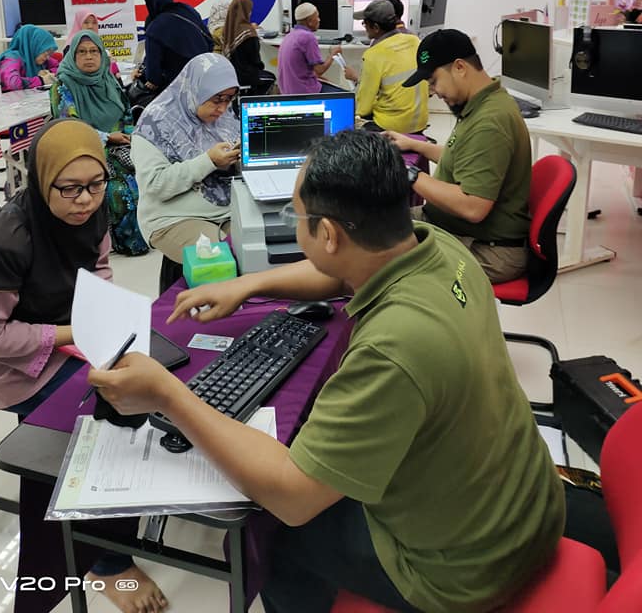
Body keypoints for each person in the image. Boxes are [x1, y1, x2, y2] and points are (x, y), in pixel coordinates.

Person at [89, 130, 564, 613]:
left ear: (330, 234)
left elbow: (291, 496)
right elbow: (341, 270)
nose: (294, 224)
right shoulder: (438, 247)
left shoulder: (392, 349)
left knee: (270, 533)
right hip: (529, 505)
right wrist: (248, 285)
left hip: (466, 569)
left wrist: (169, 395)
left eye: (296, 217)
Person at [0, 119, 167, 612]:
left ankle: (117, 528)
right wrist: (74, 333)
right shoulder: (4, 243)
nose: (85, 201)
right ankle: (104, 562)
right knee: (108, 417)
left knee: (149, 385)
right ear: (42, 179)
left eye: (96, 185)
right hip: (13, 364)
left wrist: (103, 312)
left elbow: (99, 267)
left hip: (69, 336)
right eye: (68, 188)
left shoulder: (92, 212)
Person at [385, 29, 531, 283]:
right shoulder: (483, 102)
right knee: (371, 224)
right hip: (462, 230)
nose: (433, 91)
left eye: (433, 81)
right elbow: (466, 158)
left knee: (374, 258)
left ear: (460, 67)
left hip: (486, 248)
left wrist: (409, 174)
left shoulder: (489, 122)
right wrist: (415, 145)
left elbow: (473, 206)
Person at [132, 54, 240, 266]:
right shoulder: (154, 124)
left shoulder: (224, 119)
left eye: (228, 99)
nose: (222, 108)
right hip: (174, 217)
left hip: (227, 210)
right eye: (217, 99)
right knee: (219, 262)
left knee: (257, 250)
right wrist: (209, 161)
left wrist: (238, 159)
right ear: (196, 90)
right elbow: (156, 186)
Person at [50, 31, 147, 256]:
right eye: (82, 52)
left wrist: (132, 138)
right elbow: (70, 127)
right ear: (72, 56)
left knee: (146, 171)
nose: (89, 56)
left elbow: (126, 114)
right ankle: (126, 241)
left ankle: (147, 234)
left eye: (94, 51)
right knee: (119, 187)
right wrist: (107, 137)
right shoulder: (63, 86)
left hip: (119, 146)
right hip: (83, 150)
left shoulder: (108, 80)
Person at [344, 0, 428, 134]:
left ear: (376, 27)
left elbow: (363, 108)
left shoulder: (373, 54)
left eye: (365, 23)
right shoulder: (415, 40)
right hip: (420, 122)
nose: (364, 27)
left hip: (392, 126)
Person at [140, 0, 213, 94]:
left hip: (176, 90)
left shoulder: (154, 27)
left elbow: (153, 77)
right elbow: (209, 42)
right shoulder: (188, 11)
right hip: (204, 80)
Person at [277, 3, 341, 95]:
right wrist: (333, 54)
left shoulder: (289, 36)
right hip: (303, 92)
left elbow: (300, 70)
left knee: (326, 82)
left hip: (287, 92)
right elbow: (320, 70)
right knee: (347, 95)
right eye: (317, 17)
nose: (319, 20)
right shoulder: (308, 37)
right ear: (310, 21)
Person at [222, 0, 275, 96]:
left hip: (231, 74)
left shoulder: (227, 29)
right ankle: (252, 99)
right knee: (271, 77)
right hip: (246, 76)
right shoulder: (249, 34)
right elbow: (256, 61)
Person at [0, 24, 58, 91]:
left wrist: (48, 72)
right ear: (34, 46)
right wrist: (41, 80)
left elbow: (61, 69)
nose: (48, 58)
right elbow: (13, 83)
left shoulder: (38, 57)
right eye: (46, 53)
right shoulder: (12, 58)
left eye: (49, 54)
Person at [63, 6, 120, 77]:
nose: (90, 26)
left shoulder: (97, 42)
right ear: (78, 23)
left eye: (94, 23)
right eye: (86, 22)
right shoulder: (71, 46)